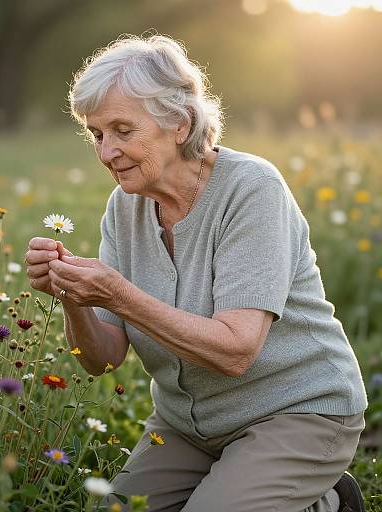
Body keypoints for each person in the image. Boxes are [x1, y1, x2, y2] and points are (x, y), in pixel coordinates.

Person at [24, 35, 368, 512]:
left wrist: (118, 295)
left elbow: (235, 352)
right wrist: (73, 296)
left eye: (123, 130)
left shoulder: (251, 189)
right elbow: (102, 360)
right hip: (186, 425)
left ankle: (325, 503)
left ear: (179, 124)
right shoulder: (124, 207)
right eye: (97, 134)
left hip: (297, 414)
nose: (106, 153)